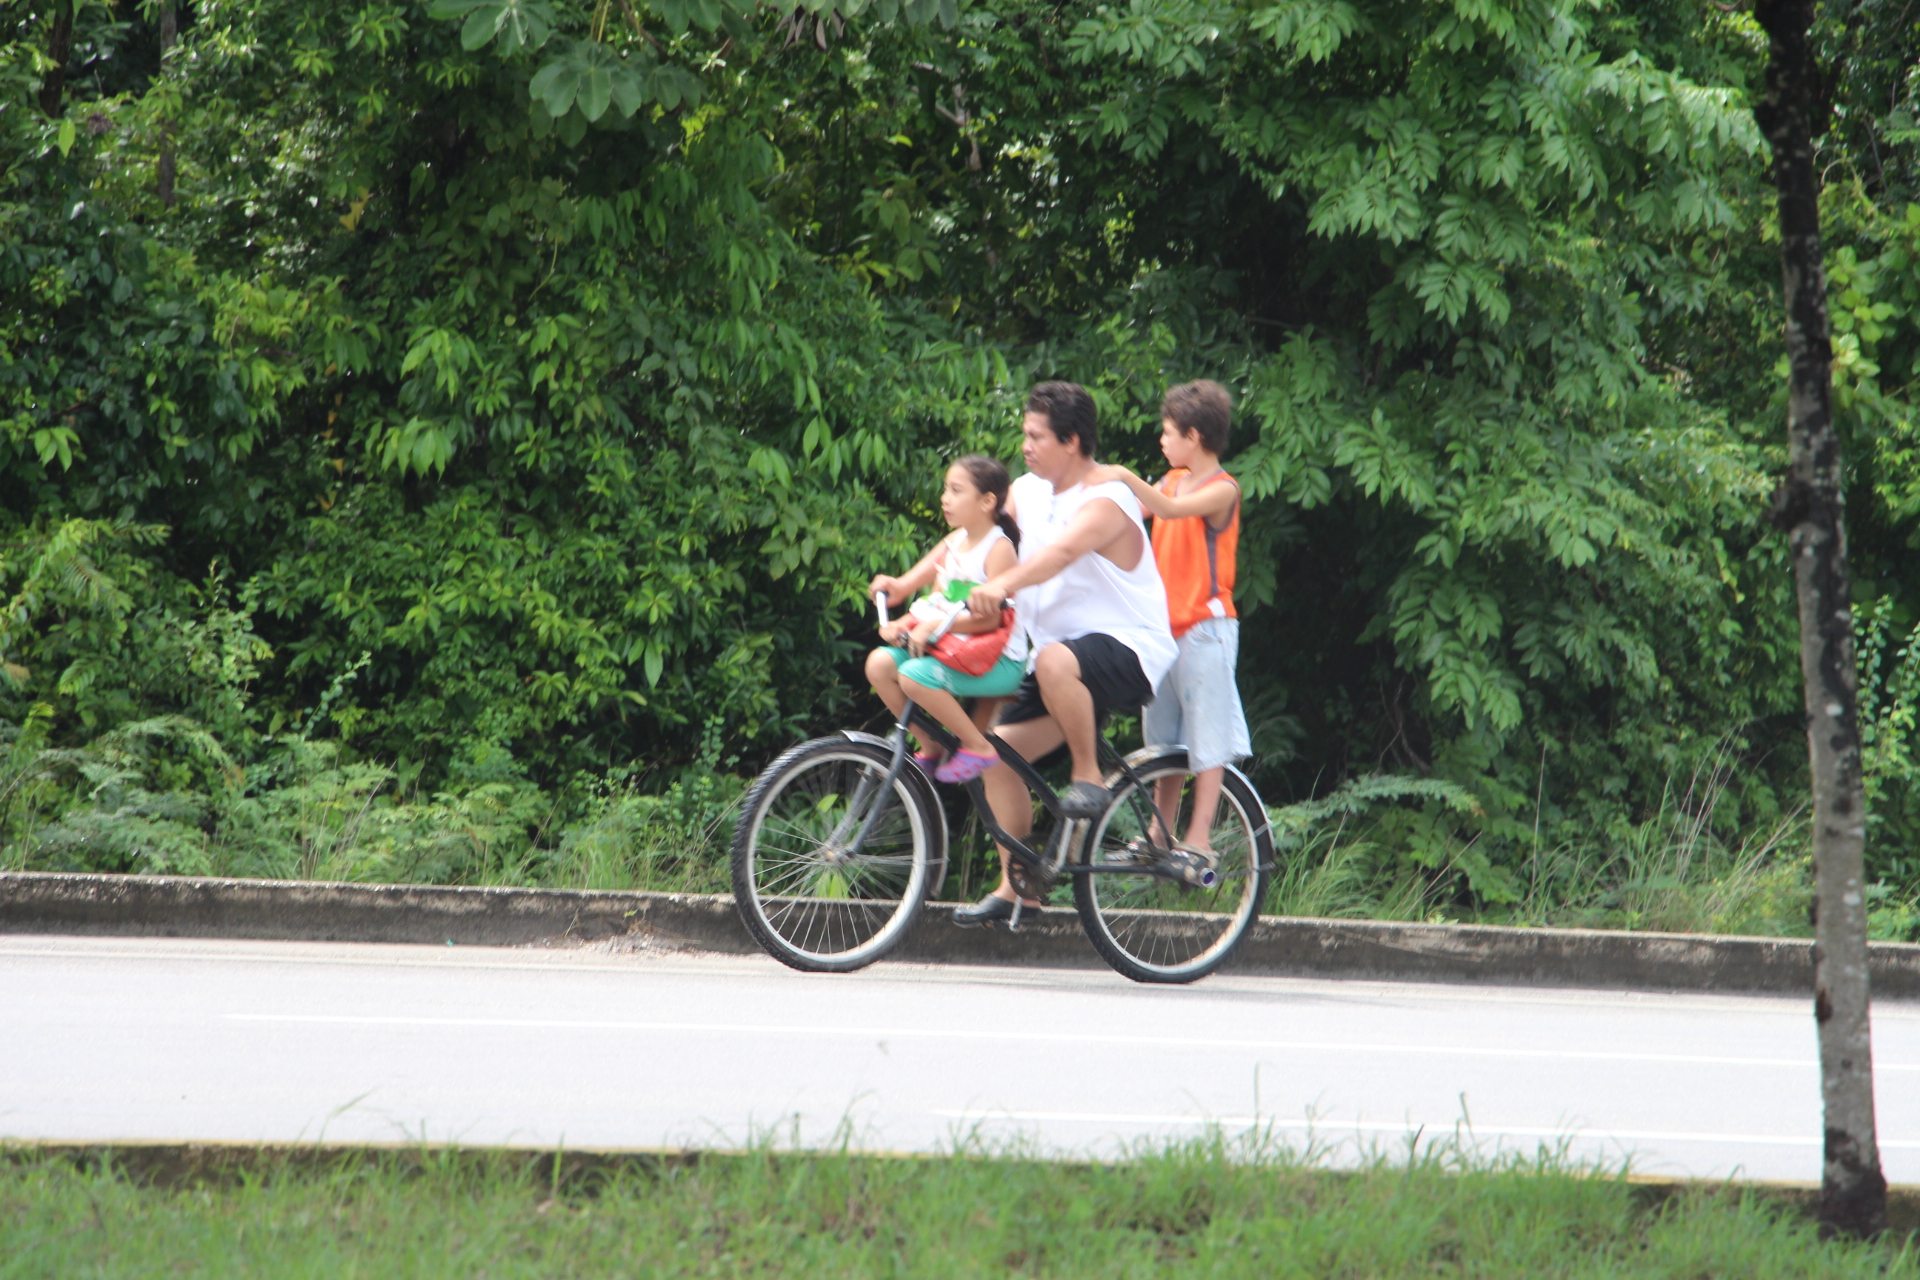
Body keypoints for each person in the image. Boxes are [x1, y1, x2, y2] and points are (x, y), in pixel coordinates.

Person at [952, 381, 1177, 927]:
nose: (1025, 445)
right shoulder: (1027, 491)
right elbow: (975, 532)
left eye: (1036, 436)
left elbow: (1060, 554)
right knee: (993, 755)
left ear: (1071, 441)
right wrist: (918, 585)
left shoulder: (1107, 500)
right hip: (1058, 665)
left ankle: (1088, 777)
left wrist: (1001, 588)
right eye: (1025, 434)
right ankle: (1019, 886)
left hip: (1127, 648)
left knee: (1055, 657)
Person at [1088, 379, 1252, 865]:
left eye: (1167, 432)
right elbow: (1130, 512)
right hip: (1163, 630)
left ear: (1194, 436)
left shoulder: (1222, 490)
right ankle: (1160, 835)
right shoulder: (1171, 478)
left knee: (1207, 739)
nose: (1162, 441)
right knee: (1163, 742)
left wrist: (1119, 474)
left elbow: (1170, 510)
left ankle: (1198, 838)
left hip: (1206, 628)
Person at [866, 456, 1031, 783]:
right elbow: (936, 602)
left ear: (987, 501)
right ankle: (931, 745)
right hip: (952, 650)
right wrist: (906, 623)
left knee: (914, 675)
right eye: (946, 489)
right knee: (879, 665)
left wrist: (933, 626)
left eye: (956, 490)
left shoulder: (998, 549)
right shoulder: (954, 542)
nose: (945, 498)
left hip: (998, 661)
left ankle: (977, 745)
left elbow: (989, 623)